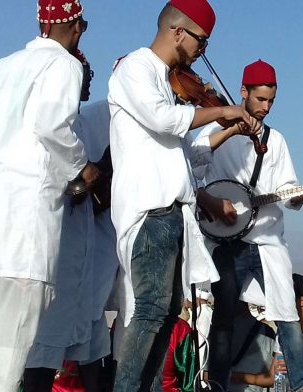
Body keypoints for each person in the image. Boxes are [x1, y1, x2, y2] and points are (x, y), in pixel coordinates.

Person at [107, 0, 261, 390]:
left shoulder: (166, 78)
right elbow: (164, 118)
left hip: (174, 209)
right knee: (151, 310)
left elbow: (185, 156)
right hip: (149, 208)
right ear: (178, 32)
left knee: (169, 311)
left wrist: (226, 129)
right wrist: (222, 111)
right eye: (201, 41)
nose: (201, 51)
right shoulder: (135, 68)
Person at [197, 58, 303, 392]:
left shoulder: (277, 140)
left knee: (286, 311)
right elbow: (190, 173)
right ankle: (216, 383)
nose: (266, 107)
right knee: (224, 312)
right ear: (243, 92)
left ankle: (300, 385)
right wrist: (212, 204)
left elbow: (288, 193)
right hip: (225, 241)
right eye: (260, 99)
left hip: (268, 239)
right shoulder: (214, 133)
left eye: (271, 100)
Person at [0, 1, 97, 390]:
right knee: (8, 363)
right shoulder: (64, 64)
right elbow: (52, 124)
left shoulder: (4, 67)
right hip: (25, 235)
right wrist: (82, 167)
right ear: (75, 27)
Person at [24, 50, 117, 392]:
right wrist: (89, 179)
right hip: (57, 247)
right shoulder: (45, 127)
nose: (88, 81)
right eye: (82, 75)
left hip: (86, 245)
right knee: (46, 345)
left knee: (92, 339)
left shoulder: (84, 122)